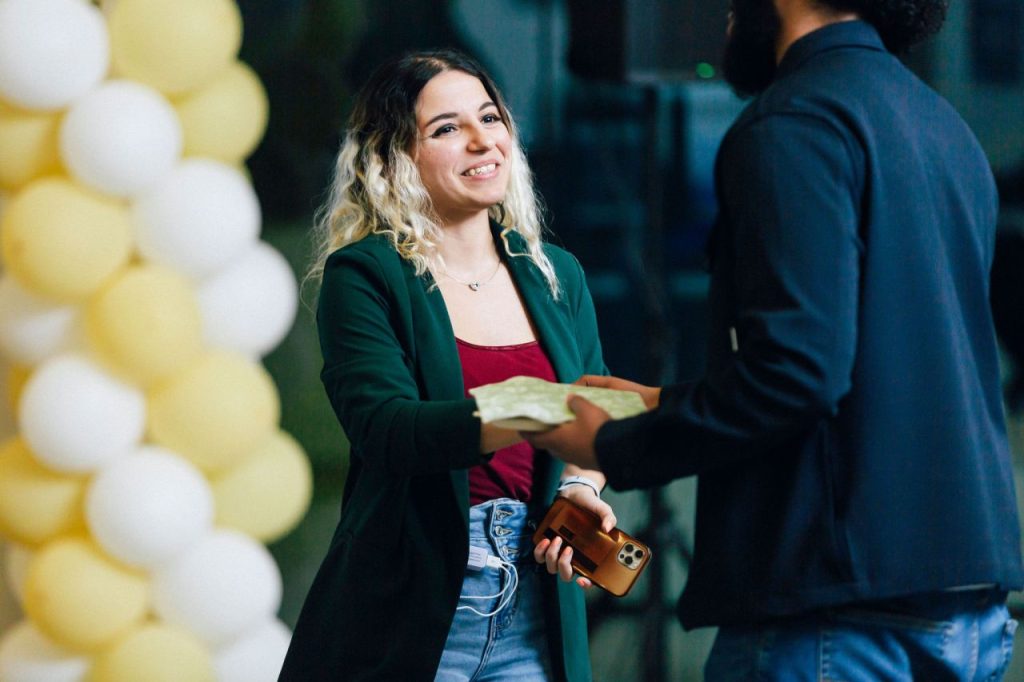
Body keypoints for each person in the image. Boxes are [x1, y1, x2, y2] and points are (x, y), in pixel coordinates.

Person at [528, 1, 1024, 679]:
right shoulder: (944, 128)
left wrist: (609, 443)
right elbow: (863, 368)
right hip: (967, 606)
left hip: (835, 619)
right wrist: (658, 404)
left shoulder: (791, 123)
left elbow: (798, 372)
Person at [278, 49, 613, 682]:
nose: (483, 140)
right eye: (447, 128)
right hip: (416, 607)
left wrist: (579, 488)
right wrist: (530, 407)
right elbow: (389, 430)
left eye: (490, 117)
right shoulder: (366, 275)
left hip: (537, 608)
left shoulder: (555, 274)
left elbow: (590, 418)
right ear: (394, 159)